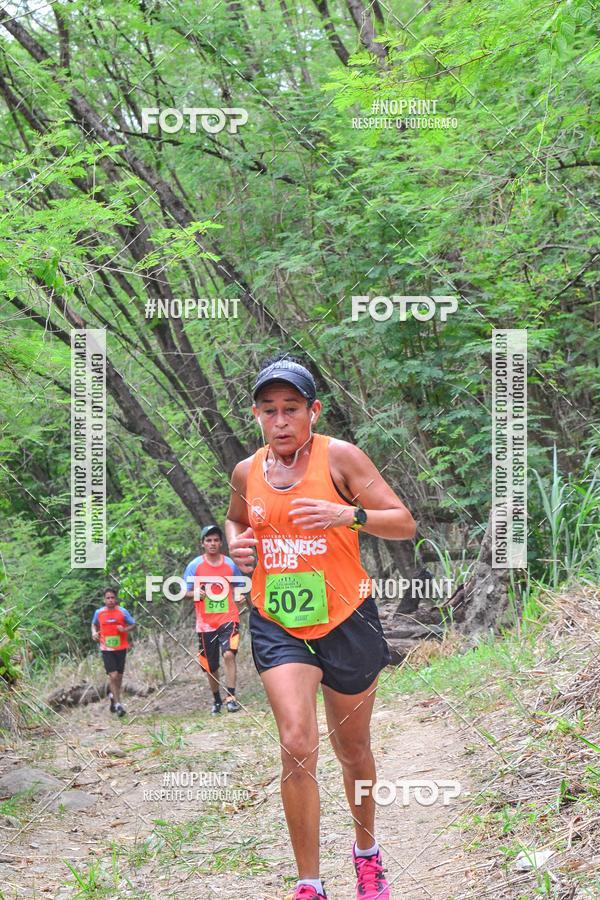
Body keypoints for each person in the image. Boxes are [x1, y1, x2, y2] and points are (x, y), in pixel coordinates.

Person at [225, 353, 416, 900]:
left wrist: (347, 515)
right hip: (278, 620)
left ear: (314, 411)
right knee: (296, 741)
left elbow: (403, 522)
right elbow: (237, 520)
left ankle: (366, 855)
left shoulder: (342, 459)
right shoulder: (247, 471)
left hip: (346, 617)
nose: (280, 420)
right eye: (269, 410)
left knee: (351, 748)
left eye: (291, 409)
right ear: (258, 416)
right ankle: (308, 884)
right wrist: (237, 544)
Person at [183, 525, 243, 714]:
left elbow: (241, 586)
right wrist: (195, 593)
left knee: (229, 654)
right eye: (208, 540)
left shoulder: (230, 564)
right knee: (210, 665)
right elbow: (184, 592)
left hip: (228, 618)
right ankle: (216, 699)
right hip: (205, 623)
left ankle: (231, 697)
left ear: (221, 543)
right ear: (203, 544)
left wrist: (240, 596)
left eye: (216, 540)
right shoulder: (194, 566)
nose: (213, 543)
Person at [91, 588, 136, 717]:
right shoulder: (99, 612)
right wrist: (94, 632)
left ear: (115, 599)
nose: (110, 600)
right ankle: (118, 705)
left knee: (119, 678)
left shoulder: (122, 612)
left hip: (121, 648)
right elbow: (93, 624)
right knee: (113, 676)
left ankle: (112, 696)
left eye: (112, 598)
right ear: (104, 599)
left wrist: (125, 628)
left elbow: (133, 624)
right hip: (106, 649)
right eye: (108, 598)